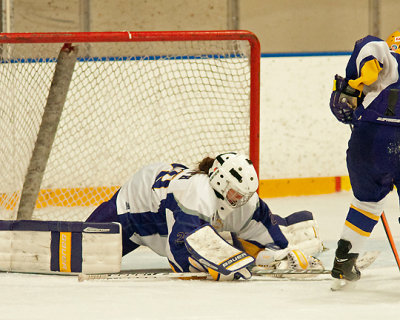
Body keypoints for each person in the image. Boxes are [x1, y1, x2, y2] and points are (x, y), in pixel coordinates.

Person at [87, 152, 323, 280]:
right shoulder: (197, 194)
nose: (241, 200)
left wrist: (281, 252)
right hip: (134, 210)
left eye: (246, 195)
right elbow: (178, 255)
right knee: (84, 253)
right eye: (235, 194)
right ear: (219, 181)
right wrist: (221, 265)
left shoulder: (241, 199)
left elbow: (273, 239)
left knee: (256, 230)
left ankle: (293, 222)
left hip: (170, 211)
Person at [329, 31, 400, 284]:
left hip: (368, 141)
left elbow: (370, 47)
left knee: (367, 203)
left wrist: (354, 86)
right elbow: (374, 49)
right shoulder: (390, 61)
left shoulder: (381, 64)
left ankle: (343, 263)